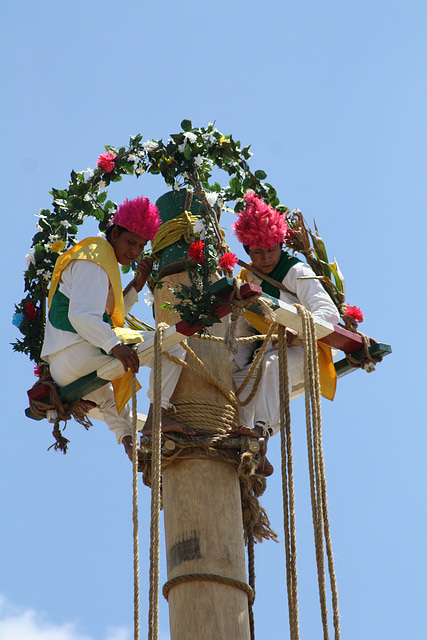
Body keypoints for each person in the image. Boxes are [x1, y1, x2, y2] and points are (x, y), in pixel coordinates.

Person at [41, 195, 191, 461]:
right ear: (114, 232)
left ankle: (130, 442)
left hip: (65, 368)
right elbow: (82, 317)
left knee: (109, 399)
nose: (135, 251)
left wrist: (136, 285)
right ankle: (157, 418)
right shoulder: (96, 255)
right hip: (80, 350)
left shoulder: (99, 259)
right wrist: (116, 346)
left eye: (141, 246)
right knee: (172, 345)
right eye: (130, 242)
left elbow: (105, 318)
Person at [230, 191, 340, 475]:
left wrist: (297, 331)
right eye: (257, 252)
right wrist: (232, 364)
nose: (266, 258)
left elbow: (329, 315)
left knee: (271, 366)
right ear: (247, 251)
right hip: (268, 351)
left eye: (271, 250)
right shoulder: (247, 280)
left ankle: (261, 435)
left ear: (280, 244)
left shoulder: (297, 271)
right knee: (235, 379)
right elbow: (244, 332)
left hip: (309, 352)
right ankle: (243, 440)